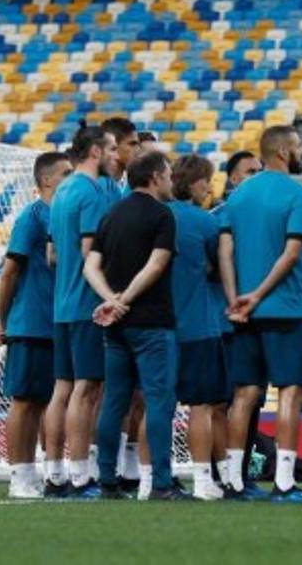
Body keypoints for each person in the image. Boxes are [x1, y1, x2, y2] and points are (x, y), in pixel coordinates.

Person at [218, 125, 302, 503]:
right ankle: (286, 484)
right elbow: (291, 254)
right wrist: (257, 296)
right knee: (290, 394)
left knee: (244, 394)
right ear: (282, 151)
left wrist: (236, 300)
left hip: (243, 313)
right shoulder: (297, 194)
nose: (301, 151)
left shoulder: (238, 195)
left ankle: (233, 482)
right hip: (286, 309)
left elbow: (225, 251)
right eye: (298, 146)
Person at [84, 152, 187, 500]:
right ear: (156, 177)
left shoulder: (112, 215)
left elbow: (90, 267)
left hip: (116, 326)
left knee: (114, 402)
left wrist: (110, 300)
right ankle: (160, 483)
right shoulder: (162, 215)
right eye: (169, 175)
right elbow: (157, 265)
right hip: (152, 322)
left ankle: (107, 482)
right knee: (159, 402)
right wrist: (124, 299)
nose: (172, 181)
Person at [0, 151, 73, 499]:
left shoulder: (64, 215)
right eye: (66, 172)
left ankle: (41, 471)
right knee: (25, 401)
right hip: (31, 322)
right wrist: (4, 318)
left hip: (57, 321)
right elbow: (10, 271)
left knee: (44, 401)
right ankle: (19, 475)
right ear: (47, 180)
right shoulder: (32, 216)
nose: (73, 177)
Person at [47, 124, 119, 498]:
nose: (115, 156)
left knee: (63, 389)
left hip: (63, 304)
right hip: (87, 305)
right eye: (110, 150)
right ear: (95, 152)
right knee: (87, 389)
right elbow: (93, 255)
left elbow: (54, 254)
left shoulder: (62, 191)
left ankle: (55, 473)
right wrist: (112, 294)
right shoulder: (90, 193)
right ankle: (79, 475)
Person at [168, 154, 232, 501]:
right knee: (204, 406)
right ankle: (204, 478)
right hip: (199, 325)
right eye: (206, 179)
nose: (210, 186)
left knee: (155, 405)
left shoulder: (160, 217)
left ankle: (151, 478)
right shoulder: (203, 222)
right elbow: (218, 264)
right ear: (193, 183)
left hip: (161, 326)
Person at [101, 116, 144, 486]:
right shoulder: (99, 192)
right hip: (105, 306)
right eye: (130, 145)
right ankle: (99, 469)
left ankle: (126, 467)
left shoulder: (121, 193)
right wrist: (113, 297)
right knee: (99, 392)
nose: (136, 151)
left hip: (127, 306)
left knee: (134, 393)